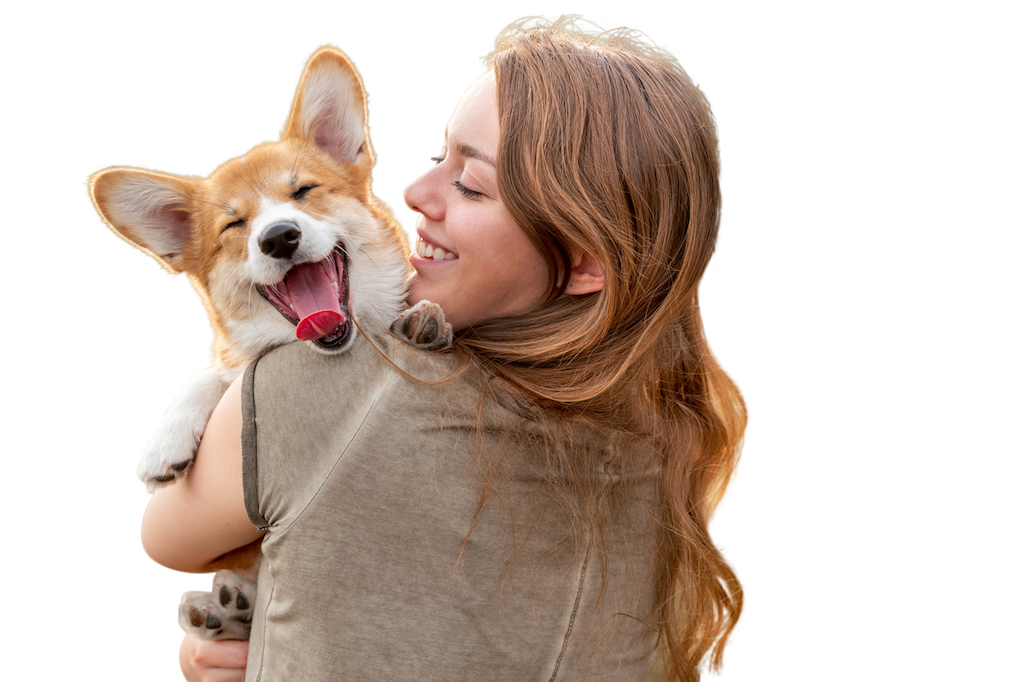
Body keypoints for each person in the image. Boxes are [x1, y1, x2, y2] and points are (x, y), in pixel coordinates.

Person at [143, 14, 750, 682]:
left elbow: (164, 536)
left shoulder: (317, 389)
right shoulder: (666, 440)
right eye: (439, 158)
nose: (411, 195)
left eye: (470, 183)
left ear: (582, 262)